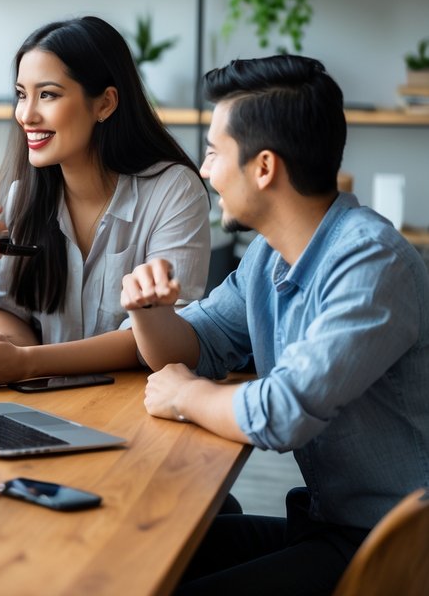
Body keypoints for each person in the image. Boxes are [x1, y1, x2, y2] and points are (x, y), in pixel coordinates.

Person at [119, 55, 429, 594]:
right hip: (328, 523)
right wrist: (148, 311)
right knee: (143, 555)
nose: (203, 170)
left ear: (263, 168)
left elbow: (282, 412)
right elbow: (197, 345)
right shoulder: (269, 257)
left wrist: (186, 396)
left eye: (214, 153)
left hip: (397, 549)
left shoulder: (374, 263)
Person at [0, 16, 210, 384]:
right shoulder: (22, 195)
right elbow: (7, 307)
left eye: (48, 94)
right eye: (21, 94)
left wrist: (28, 362)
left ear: (105, 104)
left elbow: (165, 340)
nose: (26, 115)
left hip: (135, 408)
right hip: (43, 401)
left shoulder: (174, 191)